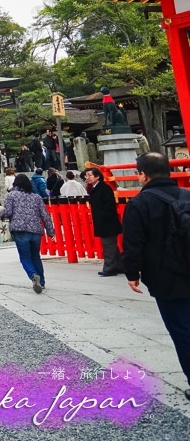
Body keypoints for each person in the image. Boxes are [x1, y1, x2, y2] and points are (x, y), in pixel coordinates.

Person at [122, 152, 190, 400]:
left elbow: (133, 244)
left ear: (143, 174)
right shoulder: (187, 196)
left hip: (167, 277)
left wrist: (132, 273)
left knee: (183, 330)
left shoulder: (140, 203)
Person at [0, 173, 56, 293]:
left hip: (20, 230)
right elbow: (45, 216)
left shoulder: (11, 195)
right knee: (36, 256)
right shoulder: (36, 197)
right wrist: (51, 232)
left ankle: (33, 275)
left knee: (25, 257)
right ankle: (42, 282)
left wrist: (1, 210)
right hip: (36, 230)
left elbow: (7, 213)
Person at [82, 167, 123, 277]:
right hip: (103, 221)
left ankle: (110, 268)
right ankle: (120, 266)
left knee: (108, 245)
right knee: (111, 245)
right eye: (87, 175)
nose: (87, 178)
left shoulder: (104, 188)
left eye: (90, 175)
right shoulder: (95, 188)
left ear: (97, 176)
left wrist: (102, 217)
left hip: (107, 222)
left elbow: (109, 206)